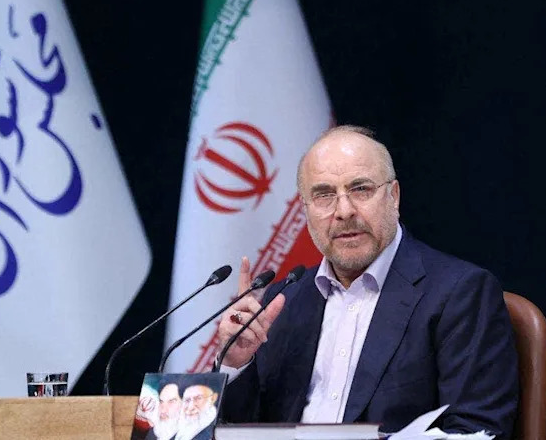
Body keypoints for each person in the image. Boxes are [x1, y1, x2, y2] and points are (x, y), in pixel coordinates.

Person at [216, 125, 518, 437]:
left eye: (361, 189)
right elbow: (243, 429)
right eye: (324, 195)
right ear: (306, 211)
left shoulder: (459, 293)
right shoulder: (283, 301)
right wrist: (237, 364)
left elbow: (476, 432)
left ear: (394, 196)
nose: (344, 211)